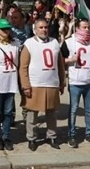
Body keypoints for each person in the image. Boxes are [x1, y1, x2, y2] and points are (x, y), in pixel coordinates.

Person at [19, 18, 66, 151]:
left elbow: (60, 65)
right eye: (41, 27)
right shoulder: (29, 44)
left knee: (52, 113)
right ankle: (32, 138)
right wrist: (25, 85)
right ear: (35, 29)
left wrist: (62, 81)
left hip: (52, 83)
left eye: (45, 27)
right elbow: (23, 67)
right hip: (35, 84)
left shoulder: (55, 42)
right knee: (32, 114)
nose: (44, 30)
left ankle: (51, 136)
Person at [62, 18, 90, 148]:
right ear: (77, 28)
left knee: (89, 110)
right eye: (84, 27)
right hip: (75, 82)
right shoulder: (69, 42)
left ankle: (89, 133)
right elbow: (60, 60)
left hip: (89, 81)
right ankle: (71, 135)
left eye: (88, 27)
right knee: (73, 110)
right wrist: (69, 60)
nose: (87, 30)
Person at [0, 18, 20, 151]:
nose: (6, 31)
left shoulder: (16, 43)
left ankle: (6, 136)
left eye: (8, 28)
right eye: (3, 29)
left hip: (11, 81)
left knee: (8, 112)